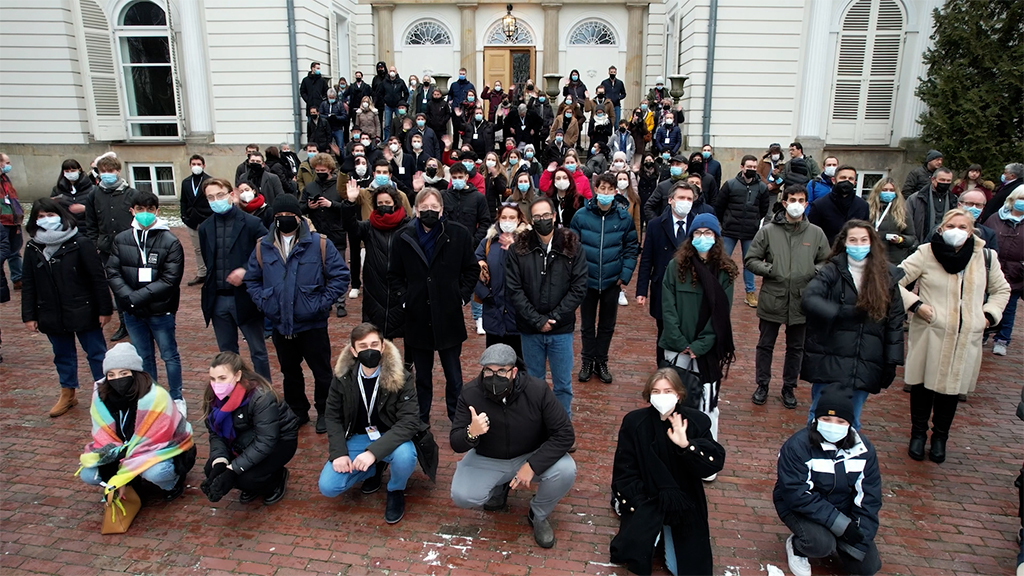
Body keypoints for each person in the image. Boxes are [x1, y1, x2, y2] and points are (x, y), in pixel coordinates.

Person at [898, 209, 1010, 463]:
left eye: (962, 226)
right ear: (941, 228)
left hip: (965, 335)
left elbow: (1001, 290)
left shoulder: (985, 257)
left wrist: (987, 316)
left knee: (951, 390)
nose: (956, 230)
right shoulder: (926, 253)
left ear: (971, 231)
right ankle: (918, 434)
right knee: (922, 386)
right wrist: (916, 305)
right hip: (931, 331)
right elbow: (893, 281)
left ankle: (940, 437)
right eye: (951, 225)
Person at [450, 344, 576, 548]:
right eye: (488, 371)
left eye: (501, 371)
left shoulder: (537, 390)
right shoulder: (470, 393)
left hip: (530, 452)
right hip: (488, 457)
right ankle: (501, 485)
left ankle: (538, 514)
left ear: (514, 371)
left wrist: (532, 465)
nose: (493, 376)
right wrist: (471, 433)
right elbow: (455, 442)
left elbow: (565, 433)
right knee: (462, 496)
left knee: (566, 469)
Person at [245, 194, 350, 433]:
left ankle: (325, 411)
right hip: (281, 322)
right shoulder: (263, 246)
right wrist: (266, 302)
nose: (284, 220)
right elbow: (252, 279)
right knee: (289, 371)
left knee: (322, 371)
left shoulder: (318, 243)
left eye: (288, 216)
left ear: (298, 217)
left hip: (312, 323)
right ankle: (297, 410)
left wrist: (321, 303)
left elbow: (340, 276)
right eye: (279, 217)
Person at [609, 368, 725, 575]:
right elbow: (624, 471)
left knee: (684, 567)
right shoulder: (635, 422)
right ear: (649, 395)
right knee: (637, 551)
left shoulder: (696, 421)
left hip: (683, 500)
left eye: (668, 391)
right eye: (656, 392)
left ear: (679, 395)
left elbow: (712, 465)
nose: (662, 397)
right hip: (648, 496)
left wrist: (687, 446)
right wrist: (640, 504)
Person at [801, 221, 906, 430]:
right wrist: (840, 313)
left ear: (871, 242)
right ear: (845, 243)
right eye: (853, 240)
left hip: (865, 359)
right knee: (819, 414)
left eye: (863, 240)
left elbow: (894, 321)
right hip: (831, 356)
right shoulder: (832, 270)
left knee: (851, 418)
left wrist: (892, 361)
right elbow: (810, 299)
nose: (859, 245)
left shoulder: (886, 277)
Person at [319, 323, 427, 522]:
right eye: (363, 346)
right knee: (328, 487)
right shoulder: (342, 377)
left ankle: (395, 489)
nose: (370, 350)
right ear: (353, 351)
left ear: (383, 347)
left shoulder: (402, 376)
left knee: (405, 456)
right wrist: (339, 453)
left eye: (374, 344)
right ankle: (372, 469)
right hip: (358, 437)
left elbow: (409, 422)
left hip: (390, 436)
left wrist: (373, 452)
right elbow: (332, 416)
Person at [774, 384, 882, 576]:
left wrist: (858, 532)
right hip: (800, 508)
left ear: (850, 423)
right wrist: (840, 525)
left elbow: (869, 497)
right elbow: (797, 494)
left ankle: (838, 540)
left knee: (866, 566)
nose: (833, 425)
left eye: (840, 421)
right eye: (826, 418)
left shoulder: (864, 450)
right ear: (816, 419)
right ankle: (798, 546)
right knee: (820, 544)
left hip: (844, 510)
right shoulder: (797, 447)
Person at [392, 188, 478, 423]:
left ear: (441, 210)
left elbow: (471, 269)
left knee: (453, 374)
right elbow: (394, 274)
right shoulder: (403, 237)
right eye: (425, 208)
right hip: (417, 315)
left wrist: (461, 295)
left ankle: (456, 415)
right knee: (422, 376)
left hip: (448, 314)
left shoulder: (458, 234)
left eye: (434, 208)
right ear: (416, 210)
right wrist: (404, 298)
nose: (429, 211)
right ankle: (421, 417)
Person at [21, 199, 111, 417]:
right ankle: (68, 392)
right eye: (41, 216)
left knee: (96, 353)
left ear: (61, 215)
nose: (46, 219)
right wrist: (29, 315)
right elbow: (29, 282)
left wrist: (105, 309)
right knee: (62, 354)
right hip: (51, 311)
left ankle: (106, 392)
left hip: (83, 308)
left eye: (50, 214)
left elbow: (97, 278)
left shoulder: (80, 242)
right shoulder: (33, 247)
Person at [746, 185, 831, 408]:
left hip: (802, 299)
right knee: (766, 344)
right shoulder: (768, 231)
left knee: (796, 348)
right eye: (792, 199)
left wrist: (813, 272)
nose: (796, 204)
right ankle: (762, 384)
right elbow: (751, 259)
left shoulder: (816, 233)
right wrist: (770, 269)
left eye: (801, 200)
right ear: (784, 203)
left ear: (806, 203)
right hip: (773, 297)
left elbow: (826, 261)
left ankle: (788, 386)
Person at [659, 213, 737, 453]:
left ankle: (705, 451)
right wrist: (679, 340)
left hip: (706, 350)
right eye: (698, 233)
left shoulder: (725, 271)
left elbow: (722, 315)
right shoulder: (676, 266)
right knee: (672, 401)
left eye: (708, 233)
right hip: (677, 346)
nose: (703, 237)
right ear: (691, 236)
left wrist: (701, 344)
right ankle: (672, 448)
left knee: (708, 404)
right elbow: (667, 305)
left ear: (716, 237)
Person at [78, 343, 195, 502]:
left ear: (135, 373)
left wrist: (124, 470)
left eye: (123, 373)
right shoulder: (100, 397)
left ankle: (172, 482)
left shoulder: (155, 397)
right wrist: (113, 470)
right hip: (125, 450)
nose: (117, 379)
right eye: (111, 375)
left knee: (156, 473)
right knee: (88, 474)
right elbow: (104, 437)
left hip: (160, 449)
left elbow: (154, 442)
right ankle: (130, 480)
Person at [505, 197, 587, 418]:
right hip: (530, 329)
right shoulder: (518, 249)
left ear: (554, 216)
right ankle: (534, 425)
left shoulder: (572, 247)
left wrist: (554, 317)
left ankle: (562, 426)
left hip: (561, 329)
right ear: (531, 220)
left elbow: (578, 288)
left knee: (562, 384)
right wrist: (537, 320)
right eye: (537, 216)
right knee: (533, 382)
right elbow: (514, 289)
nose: (542, 220)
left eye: (546, 215)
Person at [105, 190, 186, 415]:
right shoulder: (122, 239)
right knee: (143, 356)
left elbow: (170, 279)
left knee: (169, 354)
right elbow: (112, 271)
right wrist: (128, 298)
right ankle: (150, 394)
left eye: (150, 209)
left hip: (161, 311)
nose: (145, 214)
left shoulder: (170, 241)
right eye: (140, 209)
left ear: (157, 211)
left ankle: (176, 396)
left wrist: (135, 298)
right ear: (132, 211)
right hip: (133, 313)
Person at [200, 351, 299, 505]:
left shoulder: (261, 397)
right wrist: (220, 462)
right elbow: (216, 433)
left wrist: (232, 469)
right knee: (211, 470)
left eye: (222, 378)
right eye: (213, 379)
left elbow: (265, 441)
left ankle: (276, 479)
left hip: (280, 439)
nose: (216, 384)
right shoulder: (212, 396)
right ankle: (252, 482)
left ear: (238, 375)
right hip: (243, 439)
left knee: (247, 478)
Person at [198, 179, 272, 381]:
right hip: (218, 299)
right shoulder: (205, 228)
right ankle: (233, 389)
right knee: (227, 354)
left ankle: (264, 389)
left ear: (232, 194)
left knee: (258, 350)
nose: (216, 200)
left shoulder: (252, 223)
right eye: (211, 197)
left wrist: (247, 272)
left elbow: (267, 254)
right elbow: (208, 260)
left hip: (245, 297)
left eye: (220, 195)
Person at [571, 174, 640, 384]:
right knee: (587, 324)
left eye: (610, 190)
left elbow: (631, 248)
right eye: (602, 189)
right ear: (596, 189)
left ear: (615, 192)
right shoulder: (581, 216)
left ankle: (601, 360)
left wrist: (624, 275)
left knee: (607, 325)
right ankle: (587, 361)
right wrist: (578, 274)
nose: (606, 193)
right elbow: (572, 248)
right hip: (588, 281)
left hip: (612, 281)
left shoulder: (623, 217)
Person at [637, 183, 709, 362]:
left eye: (689, 199)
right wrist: (641, 290)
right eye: (681, 198)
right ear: (670, 200)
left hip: (690, 288)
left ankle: (685, 369)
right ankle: (664, 368)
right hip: (663, 286)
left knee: (689, 328)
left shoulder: (698, 225)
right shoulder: (655, 225)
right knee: (664, 330)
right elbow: (647, 259)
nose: (685, 202)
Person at [342, 183, 410, 341]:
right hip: (375, 288)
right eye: (380, 203)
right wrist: (350, 203)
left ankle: (408, 363)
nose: (384, 206)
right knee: (378, 334)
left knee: (407, 330)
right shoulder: (369, 226)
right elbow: (351, 227)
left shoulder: (407, 226)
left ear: (395, 203)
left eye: (387, 203)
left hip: (400, 286)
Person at [85, 154, 139, 342]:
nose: (108, 174)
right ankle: (124, 323)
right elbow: (91, 223)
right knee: (117, 287)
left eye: (111, 171)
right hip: (107, 249)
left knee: (134, 283)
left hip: (130, 247)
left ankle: (137, 320)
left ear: (118, 171)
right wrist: (94, 245)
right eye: (103, 171)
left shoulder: (131, 194)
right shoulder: (94, 195)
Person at [716, 155, 771, 308]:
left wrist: (754, 221)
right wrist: (724, 221)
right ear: (742, 167)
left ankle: (750, 292)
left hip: (750, 231)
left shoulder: (761, 187)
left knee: (750, 263)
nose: (752, 170)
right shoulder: (730, 185)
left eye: (754, 167)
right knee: (723, 260)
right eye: (749, 167)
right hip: (729, 230)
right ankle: (720, 288)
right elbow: (719, 206)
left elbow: (763, 209)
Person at [475, 204, 527, 357]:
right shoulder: (488, 243)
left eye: (512, 217)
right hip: (493, 313)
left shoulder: (527, 242)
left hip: (518, 315)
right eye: (504, 217)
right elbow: (472, 269)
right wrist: (485, 294)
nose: (507, 221)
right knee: (495, 362)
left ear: (519, 220)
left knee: (520, 364)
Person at [300, 153, 348, 318]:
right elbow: (300, 208)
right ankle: (325, 301)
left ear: (330, 169)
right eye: (317, 170)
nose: (319, 172)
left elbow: (348, 207)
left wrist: (331, 204)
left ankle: (340, 303)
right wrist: (309, 206)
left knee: (338, 268)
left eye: (323, 170)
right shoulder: (310, 187)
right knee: (319, 270)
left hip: (336, 232)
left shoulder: (338, 186)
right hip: (317, 233)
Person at [983, 188, 1024, 356]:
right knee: (985, 303)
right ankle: (984, 333)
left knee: (1009, 307)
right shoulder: (995, 219)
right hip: (992, 268)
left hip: (1017, 272)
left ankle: (1002, 339)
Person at [808, 165, 870, 245]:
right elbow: (813, 234)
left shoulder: (863, 206)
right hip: (827, 252)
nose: (846, 181)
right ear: (833, 180)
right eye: (843, 178)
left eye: (850, 179)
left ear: (855, 183)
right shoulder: (819, 205)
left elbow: (866, 232)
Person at [866, 178, 917, 265]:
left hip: (894, 260)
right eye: (885, 190)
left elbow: (911, 238)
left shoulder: (903, 212)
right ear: (878, 191)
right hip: (872, 257)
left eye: (891, 190)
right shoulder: (867, 209)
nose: (888, 192)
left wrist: (900, 240)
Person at [179, 155, 212, 286]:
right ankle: (201, 273)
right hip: (192, 221)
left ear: (203, 165)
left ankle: (211, 272)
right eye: (193, 164)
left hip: (206, 219)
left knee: (209, 247)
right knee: (197, 249)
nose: (196, 166)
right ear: (190, 165)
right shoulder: (186, 182)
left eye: (199, 164)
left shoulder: (209, 181)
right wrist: (184, 216)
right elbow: (183, 201)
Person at [442, 162, 491, 247]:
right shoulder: (443, 196)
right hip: (446, 243)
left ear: (466, 177)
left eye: (460, 177)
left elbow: (485, 222)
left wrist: (474, 241)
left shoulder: (478, 198)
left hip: (469, 245)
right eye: (454, 177)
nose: (457, 180)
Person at [906, 167, 955, 245]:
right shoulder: (916, 198)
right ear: (933, 180)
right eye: (942, 180)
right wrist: (914, 243)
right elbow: (907, 222)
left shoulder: (954, 200)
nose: (945, 183)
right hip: (920, 244)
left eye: (948, 181)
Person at [50, 159, 95, 226]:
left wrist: (85, 209)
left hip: (87, 227)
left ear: (79, 170)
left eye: (73, 171)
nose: (70, 173)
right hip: (67, 227)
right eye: (67, 171)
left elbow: (100, 208)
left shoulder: (92, 189)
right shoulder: (57, 189)